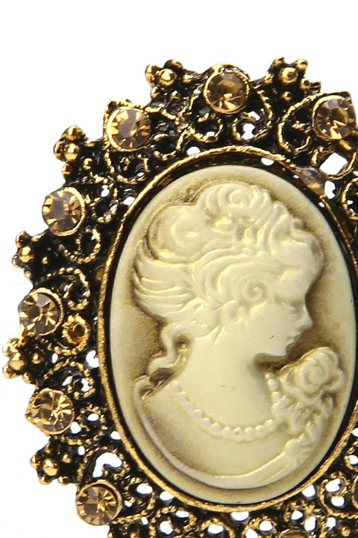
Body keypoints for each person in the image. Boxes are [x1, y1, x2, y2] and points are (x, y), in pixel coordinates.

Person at [132, 180, 344, 489]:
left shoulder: (300, 404)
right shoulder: (159, 415)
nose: (306, 320)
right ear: (242, 299)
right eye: (291, 301)